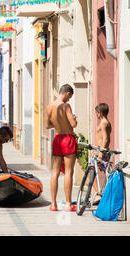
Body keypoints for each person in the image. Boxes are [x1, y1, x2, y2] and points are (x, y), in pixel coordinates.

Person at [44, 84, 78, 212]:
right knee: (68, 172)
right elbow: (73, 124)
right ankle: (68, 204)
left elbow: (47, 125)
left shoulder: (49, 107)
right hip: (67, 139)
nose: (69, 99)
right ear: (67, 93)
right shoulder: (65, 106)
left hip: (57, 139)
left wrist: (57, 124)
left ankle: (53, 204)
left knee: (55, 171)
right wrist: (73, 119)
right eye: (70, 97)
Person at [93, 103, 112, 204]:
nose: (96, 115)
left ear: (99, 113)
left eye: (96, 113)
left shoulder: (104, 123)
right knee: (105, 173)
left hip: (101, 152)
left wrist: (100, 153)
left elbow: (105, 138)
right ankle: (101, 194)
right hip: (101, 151)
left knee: (91, 172)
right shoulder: (105, 122)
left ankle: (98, 194)